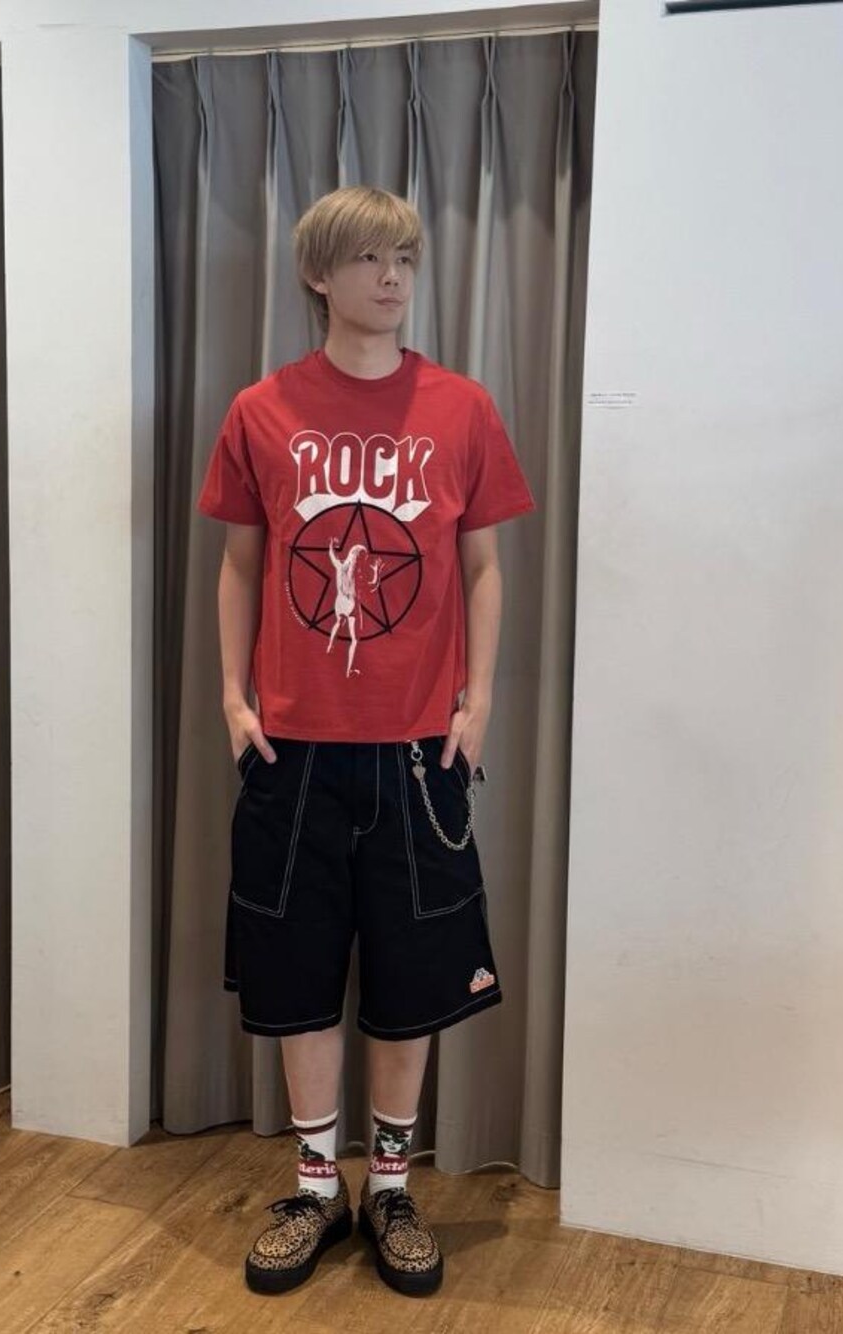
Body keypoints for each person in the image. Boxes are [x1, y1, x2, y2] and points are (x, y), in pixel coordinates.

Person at [197, 185, 535, 1298]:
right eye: (368, 258)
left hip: (418, 752)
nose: (392, 278)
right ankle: (314, 1186)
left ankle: (389, 1185)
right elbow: (240, 562)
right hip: (291, 749)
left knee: (412, 972)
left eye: (404, 258)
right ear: (318, 274)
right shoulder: (261, 410)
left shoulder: (461, 408)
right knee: (296, 970)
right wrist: (234, 701)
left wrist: (477, 704)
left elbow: (484, 567)